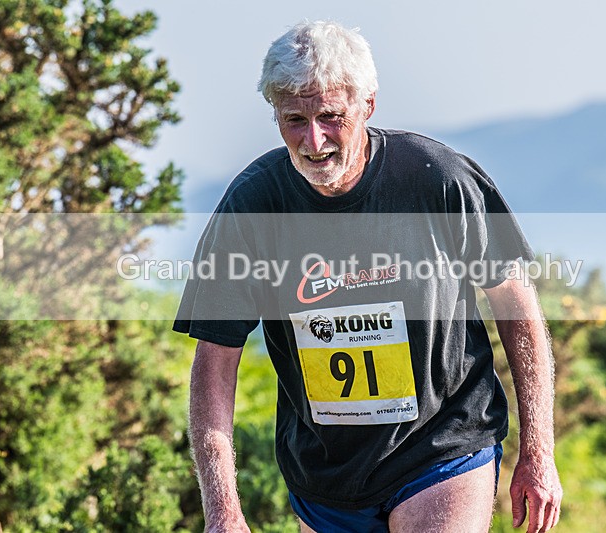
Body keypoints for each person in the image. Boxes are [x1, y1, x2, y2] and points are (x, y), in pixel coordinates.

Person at [173, 20, 562, 533]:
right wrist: (222, 513)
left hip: (443, 444)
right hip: (325, 475)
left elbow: (516, 303)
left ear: (367, 105)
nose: (314, 141)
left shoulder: (440, 180)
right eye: (294, 120)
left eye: (331, 117)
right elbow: (215, 361)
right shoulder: (252, 206)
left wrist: (538, 451)